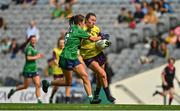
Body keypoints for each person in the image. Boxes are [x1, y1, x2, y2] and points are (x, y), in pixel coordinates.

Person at [41, 14, 98, 104]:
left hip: (73, 57)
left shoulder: (73, 27)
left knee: (85, 76)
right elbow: (93, 39)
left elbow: (75, 21)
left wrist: (73, 17)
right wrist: (102, 37)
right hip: (66, 58)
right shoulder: (79, 30)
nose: (84, 24)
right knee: (68, 82)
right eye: (83, 22)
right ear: (80, 23)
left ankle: (91, 99)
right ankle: (48, 83)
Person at [80, 13, 116, 103]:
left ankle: (96, 93)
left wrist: (105, 42)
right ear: (86, 20)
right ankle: (108, 95)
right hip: (88, 57)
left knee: (99, 76)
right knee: (103, 74)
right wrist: (102, 37)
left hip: (99, 54)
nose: (93, 22)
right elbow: (92, 39)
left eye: (95, 20)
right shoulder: (81, 29)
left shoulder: (96, 28)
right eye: (92, 20)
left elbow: (100, 38)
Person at [7, 35, 44, 103]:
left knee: (38, 84)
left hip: (34, 69)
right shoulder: (29, 48)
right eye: (32, 40)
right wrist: (37, 56)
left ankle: (39, 99)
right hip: (28, 69)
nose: (33, 41)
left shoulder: (33, 47)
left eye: (34, 40)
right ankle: (14, 90)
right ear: (30, 40)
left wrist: (37, 56)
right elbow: (28, 58)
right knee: (25, 86)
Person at [45, 37, 71, 103]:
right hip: (57, 70)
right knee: (56, 87)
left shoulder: (66, 50)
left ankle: (67, 100)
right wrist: (59, 63)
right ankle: (51, 97)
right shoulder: (55, 50)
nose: (62, 44)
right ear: (58, 43)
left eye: (63, 43)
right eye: (60, 43)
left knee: (68, 84)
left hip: (65, 69)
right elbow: (54, 59)